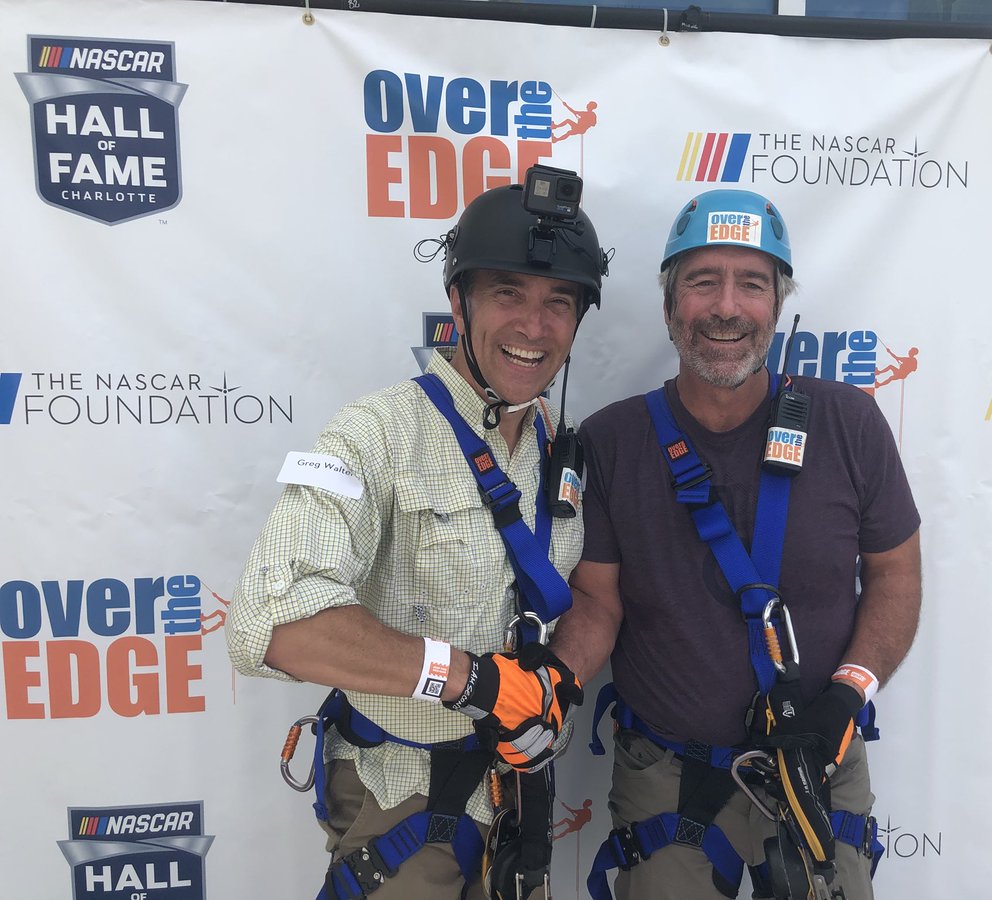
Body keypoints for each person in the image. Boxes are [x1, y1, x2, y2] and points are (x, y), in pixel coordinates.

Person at [225, 172, 609, 900]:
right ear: (458, 302)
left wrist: (559, 677)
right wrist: (472, 680)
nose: (534, 326)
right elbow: (269, 624)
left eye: (558, 302)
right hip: (402, 803)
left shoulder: (560, 448)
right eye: (508, 294)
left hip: (518, 801)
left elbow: (593, 595)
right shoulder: (375, 434)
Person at [550, 189, 921, 900]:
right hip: (669, 771)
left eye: (751, 283)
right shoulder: (612, 442)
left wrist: (851, 693)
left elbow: (896, 576)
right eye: (702, 282)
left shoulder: (848, 424)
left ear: (777, 306)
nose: (727, 306)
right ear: (668, 307)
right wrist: (548, 686)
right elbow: (596, 602)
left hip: (820, 758)